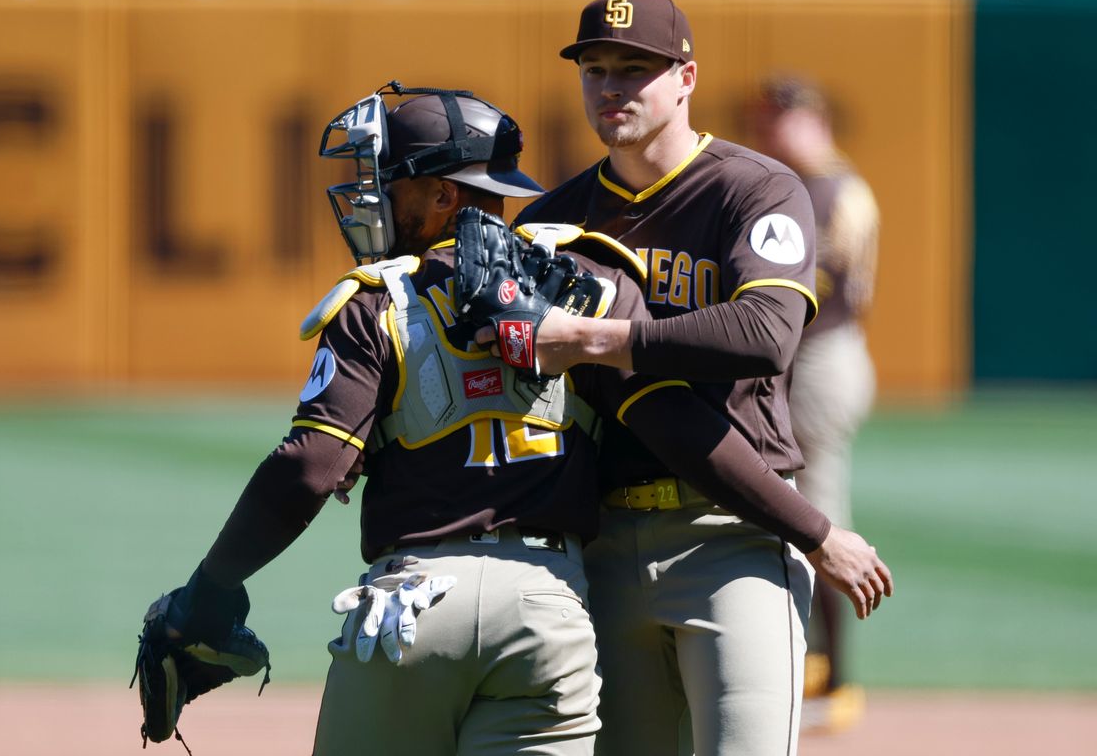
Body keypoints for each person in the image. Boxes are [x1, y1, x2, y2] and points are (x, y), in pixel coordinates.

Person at [145, 81, 887, 756]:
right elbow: (678, 428)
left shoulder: (378, 299)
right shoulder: (588, 276)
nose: (367, 197)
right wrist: (814, 530)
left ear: (441, 195)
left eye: (388, 182)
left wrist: (209, 592)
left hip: (413, 602)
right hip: (550, 607)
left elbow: (310, 466)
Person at [503, 0, 892, 756]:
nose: (612, 86)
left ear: (685, 77)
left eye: (635, 68)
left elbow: (764, 332)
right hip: (604, 543)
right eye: (596, 68)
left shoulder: (756, 188)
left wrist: (595, 336)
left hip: (734, 539)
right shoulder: (556, 216)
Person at [750, 75, 881, 733]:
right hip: (817, 359)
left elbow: (818, 287)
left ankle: (837, 676)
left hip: (824, 360)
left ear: (816, 119)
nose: (774, 130)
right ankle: (821, 668)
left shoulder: (832, 189)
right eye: (769, 119)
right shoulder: (811, 187)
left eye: (785, 118)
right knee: (799, 511)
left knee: (815, 516)